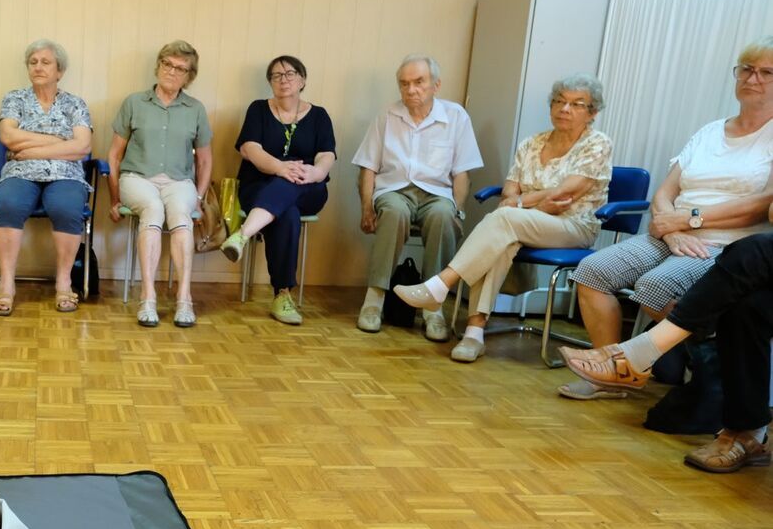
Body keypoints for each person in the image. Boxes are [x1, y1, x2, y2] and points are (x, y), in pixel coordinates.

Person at [560, 37, 773, 400]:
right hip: (673, 233)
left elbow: (762, 203)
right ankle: (611, 377)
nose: (753, 79)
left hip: (724, 244)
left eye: (766, 72)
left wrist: (688, 221)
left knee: (655, 286)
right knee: (592, 270)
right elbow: (665, 191)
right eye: (746, 69)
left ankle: (699, 363)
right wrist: (669, 227)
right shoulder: (709, 131)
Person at [394, 75, 613, 362]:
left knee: (506, 219)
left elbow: (566, 193)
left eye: (576, 104)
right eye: (559, 101)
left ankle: (440, 284)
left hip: (573, 225)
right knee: (503, 238)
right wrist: (535, 200)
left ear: (593, 112)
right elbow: (509, 192)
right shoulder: (532, 144)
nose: (564, 109)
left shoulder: (597, 144)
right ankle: (474, 335)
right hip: (525, 221)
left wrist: (523, 201)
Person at [560, 226, 773, 473]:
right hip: (687, 234)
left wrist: (690, 219)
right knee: (746, 308)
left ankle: (637, 356)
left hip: (717, 239)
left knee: (753, 249)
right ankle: (748, 431)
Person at [352, 55, 483, 341]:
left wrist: (457, 210)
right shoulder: (387, 115)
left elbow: (462, 174)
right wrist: (366, 208)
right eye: (404, 84)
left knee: (442, 216)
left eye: (419, 82)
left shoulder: (456, 116)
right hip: (393, 190)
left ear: (436, 85)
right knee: (395, 212)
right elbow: (368, 167)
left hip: (437, 194)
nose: (411, 90)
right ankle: (373, 301)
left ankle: (432, 308)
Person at [221, 56, 337, 325]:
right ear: (270, 82)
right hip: (258, 186)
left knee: (291, 186)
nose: (283, 79)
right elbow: (249, 149)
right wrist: (281, 168)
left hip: (309, 187)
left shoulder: (319, 115)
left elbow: (327, 154)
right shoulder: (259, 109)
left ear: (303, 79)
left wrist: (315, 173)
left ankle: (242, 234)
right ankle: (282, 295)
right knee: (287, 213)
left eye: (290, 73)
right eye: (276, 75)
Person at [107, 41, 212, 327]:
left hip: (179, 182)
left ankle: (184, 299)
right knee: (153, 209)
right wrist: (114, 199)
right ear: (158, 65)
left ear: (189, 76)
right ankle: (148, 298)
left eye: (181, 68)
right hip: (137, 179)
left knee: (180, 215)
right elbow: (114, 156)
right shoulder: (134, 103)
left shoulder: (196, 109)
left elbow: (204, 160)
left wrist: (199, 198)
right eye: (167, 64)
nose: (172, 71)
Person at [0, 40, 93, 316]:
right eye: (33, 62)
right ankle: (7, 283)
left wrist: (33, 148)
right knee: (8, 204)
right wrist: (58, 141)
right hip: (21, 172)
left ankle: (63, 281)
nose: (38, 67)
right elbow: (7, 136)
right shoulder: (15, 99)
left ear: (60, 71)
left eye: (46, 62)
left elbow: (82, 146)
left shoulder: (75, 104)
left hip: (66, 174)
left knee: (67, 207)